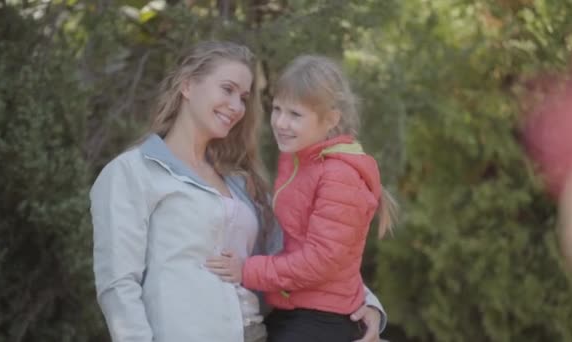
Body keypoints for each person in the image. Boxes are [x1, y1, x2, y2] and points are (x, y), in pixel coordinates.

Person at [90, 41, 387, 342]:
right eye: (227, 89)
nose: (236, 107)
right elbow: (118, 285)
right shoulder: (132, 171)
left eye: (243, 97)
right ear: (188, 85)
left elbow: (310, 252)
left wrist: (366, 306)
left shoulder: (242, 183)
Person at [206, 55, 398, 342]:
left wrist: (247, 269)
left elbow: (321, 261)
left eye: (295, 115)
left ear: (331, 119)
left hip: (321, 318)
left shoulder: (338, 174)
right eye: (278, 109)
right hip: (296, 307)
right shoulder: (302, 160)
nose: (281, 123)